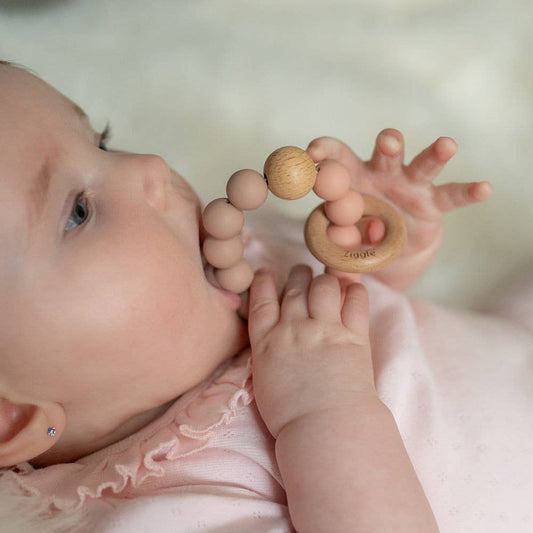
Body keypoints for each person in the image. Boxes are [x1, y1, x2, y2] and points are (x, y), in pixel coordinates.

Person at [0, 60, 531, 532]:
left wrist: (383, 242)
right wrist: (322, 411)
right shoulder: (170, 510)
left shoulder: (225, 256)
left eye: (102, 140)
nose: (148, 167)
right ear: (12, 419)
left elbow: (369, 306)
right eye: (77, 211)